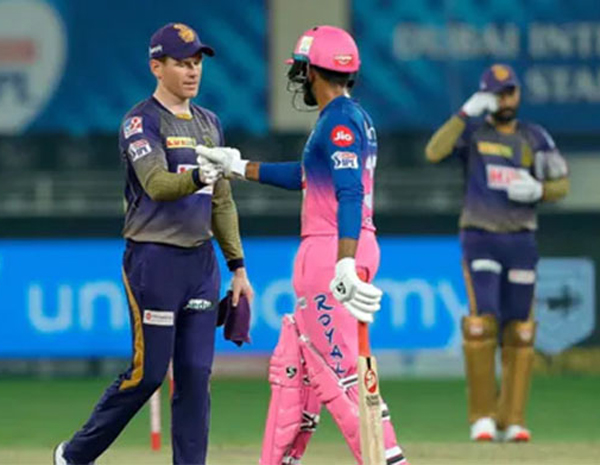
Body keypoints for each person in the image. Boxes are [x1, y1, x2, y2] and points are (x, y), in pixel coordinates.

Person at [197, 25, 408, 465]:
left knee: (339, 373)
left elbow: (349, 191)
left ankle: (388, 460)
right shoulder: (350, 117)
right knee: (299, 362)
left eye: (301, 70)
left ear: (311, 72)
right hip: (342, 244)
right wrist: (239, 166)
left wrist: (343, 264)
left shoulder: (339, 122)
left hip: (332, 249)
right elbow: (305, 176)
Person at [53, 22, 253, 465]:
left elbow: (222, 202)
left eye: (197, 62)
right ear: (156, 67)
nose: (193, 71)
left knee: (196, 376)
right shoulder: (140, 122)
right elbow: (158, 185)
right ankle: (74, 456)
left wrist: (238, 267)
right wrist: (202, 173)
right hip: (154, 260)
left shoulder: (210, 123)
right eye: (182, 63)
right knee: (148, 375)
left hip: (201, 265)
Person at [425, 64, 569, 442]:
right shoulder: (473, 133)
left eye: (510, 92)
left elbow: (561, 184)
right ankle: (482, 418)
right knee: (481, 324)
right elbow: (434, 152)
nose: (505, 99)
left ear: (518, 94)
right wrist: (464, 113)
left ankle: (512, 419)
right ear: (485, 96)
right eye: (497, 93)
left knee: (520, 329)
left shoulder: (534, 136)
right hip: (480, 236)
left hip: (521, 239)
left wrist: (539, 190)